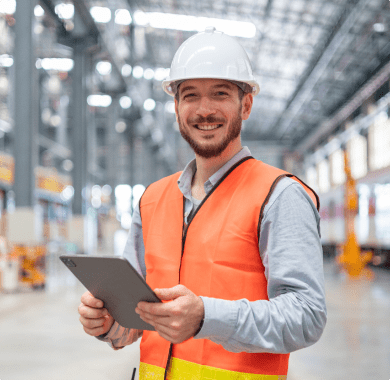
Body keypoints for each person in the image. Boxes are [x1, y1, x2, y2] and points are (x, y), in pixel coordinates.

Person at [78, 27, 327, 380]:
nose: (205, 110)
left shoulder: (279, 196)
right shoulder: (152, 200)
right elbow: (136, 319)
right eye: (190, 95)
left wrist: (207, 318)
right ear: (176, 106)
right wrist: (108, 324)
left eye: (221, 94)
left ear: (246, 103)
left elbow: (307, 316)